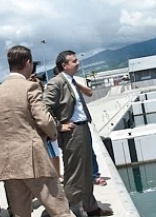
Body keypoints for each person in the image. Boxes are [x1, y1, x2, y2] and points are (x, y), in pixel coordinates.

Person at [0, 45, 74, 217]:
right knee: (59, 209)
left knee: (21, 213)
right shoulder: (30, 87)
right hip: (33, 158)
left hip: (8, 161)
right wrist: (53, 133)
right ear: (28, 62)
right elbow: (44, 119)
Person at [43, 51, 113, 216]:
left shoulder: (71, 81)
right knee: (74, 172)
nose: (78, 63)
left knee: (87, 170)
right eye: (74, 61)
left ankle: (91, 207)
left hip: (83, 128)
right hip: (73, 132)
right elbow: (44, 107)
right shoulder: (56, 82)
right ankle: (68, 209)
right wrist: (59, 126)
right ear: (64, 65)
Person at [51, 67, 107, 186]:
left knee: (89, 152)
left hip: (82, 123)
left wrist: (74, 82)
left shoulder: (74, 85)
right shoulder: (56, 87)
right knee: (71, 155)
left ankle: (94, 175)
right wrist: (59, 126)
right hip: (68, 125)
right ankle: (75, 180)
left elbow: (89, 92)